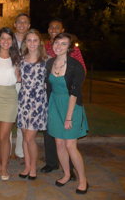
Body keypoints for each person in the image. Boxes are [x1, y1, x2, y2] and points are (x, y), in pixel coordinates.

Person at [41, 18, 86, 179]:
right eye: (57, 43)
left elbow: (75, 92)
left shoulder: (75, 66)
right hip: (54, 105)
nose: (59, 46)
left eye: (63, 44)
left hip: (71, 106)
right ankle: (66, 174)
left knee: (70, 145)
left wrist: (68, 118)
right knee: (59, 144)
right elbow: (47, 85)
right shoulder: (49, 63)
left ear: (69, 47)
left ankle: (82, 179)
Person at [0, 27, 20, 181]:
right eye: (3, 38)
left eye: (9, 38)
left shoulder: (17, 58)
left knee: (3, 136)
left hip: (10, 97)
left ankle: (5, 167)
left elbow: (19, 78)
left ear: (12, 41)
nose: (6, 41)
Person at [17, 29, 48, 180]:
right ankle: (27, 166)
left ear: (40, 42)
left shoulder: (46, 60)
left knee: (30, 138)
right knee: (24, 136)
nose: (32, 43)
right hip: (23, 100)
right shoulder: (22, 59)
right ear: (25, 43)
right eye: (29, 40)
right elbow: (17, 78)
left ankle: (33, 167)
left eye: (35, 40)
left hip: (38, 102)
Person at [13, 13, 31, 165]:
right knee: (6, 119)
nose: (22, 25)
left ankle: (20, 153)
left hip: (25, 85)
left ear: (29, 25)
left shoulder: (32, 41)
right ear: (15, 24)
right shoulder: (8, 39)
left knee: (22, 120)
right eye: (19, 22)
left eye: (25, 22)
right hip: (8, 83)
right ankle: (5, 151)